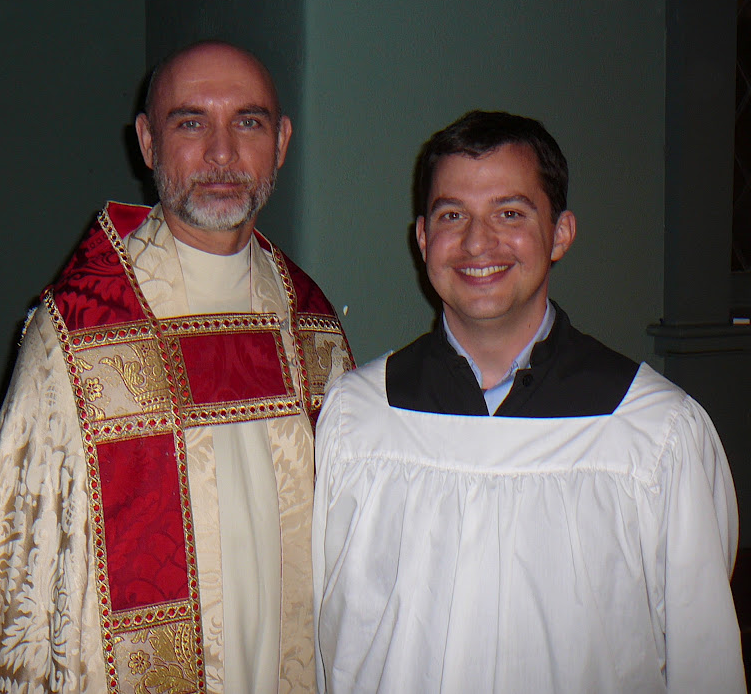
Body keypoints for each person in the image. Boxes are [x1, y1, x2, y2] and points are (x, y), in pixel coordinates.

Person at [0, 41, 353, 693]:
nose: (221, 154)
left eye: (248, 122)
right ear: (146, 141)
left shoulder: (312, 327)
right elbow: (21, 573)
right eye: (190, 122)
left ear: (281, 142)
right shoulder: (75, 336)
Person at [312, 110, 744, 693]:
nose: (477, 242)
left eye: (510, 213)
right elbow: (325, 639)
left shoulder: (652, 431)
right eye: (452, 215)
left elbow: (703, 657)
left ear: (561, 233)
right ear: (422, 238)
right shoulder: (359, 417)